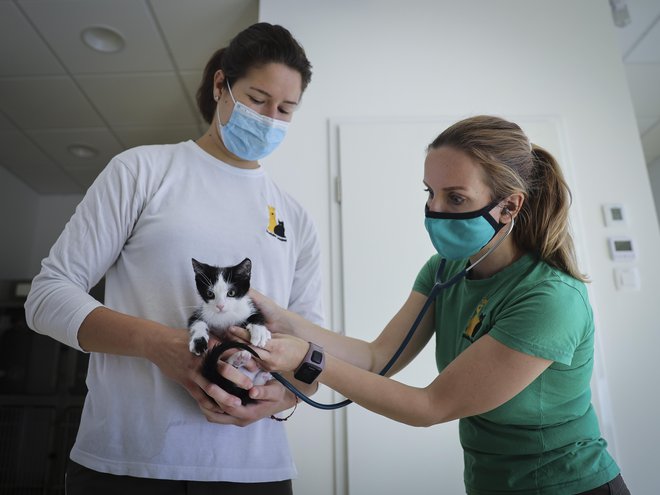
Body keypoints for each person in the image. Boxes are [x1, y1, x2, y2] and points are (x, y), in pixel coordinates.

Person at [231, 115, 630, 494]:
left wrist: (309, 360)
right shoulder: (443, 270)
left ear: (509, 207)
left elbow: (429, 406)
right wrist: (284, 321)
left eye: (455, 198)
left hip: (569, 485)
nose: (435, 210)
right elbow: (376, 357)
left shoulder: (549, 299)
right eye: (430, 192)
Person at [24, 22, 323, 494]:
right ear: (221, 85)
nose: (270, 118)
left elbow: (310, 350)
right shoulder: (142, 171)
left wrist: (284, 393)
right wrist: (161, 345)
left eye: (286, 109)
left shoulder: (296, 218)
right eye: (258, 99)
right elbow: (46, 297)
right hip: (128, 463)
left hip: (255, 470)